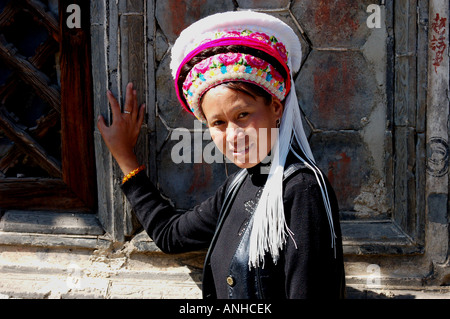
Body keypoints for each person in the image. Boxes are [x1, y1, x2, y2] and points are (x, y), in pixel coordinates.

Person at [97, 11, 345, 299]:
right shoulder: (240, 185)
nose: (233, 134)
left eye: (243, 114)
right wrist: (124, 155)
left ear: (276, 106)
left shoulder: (302, 190)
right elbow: (170, 234)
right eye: (218, 123)